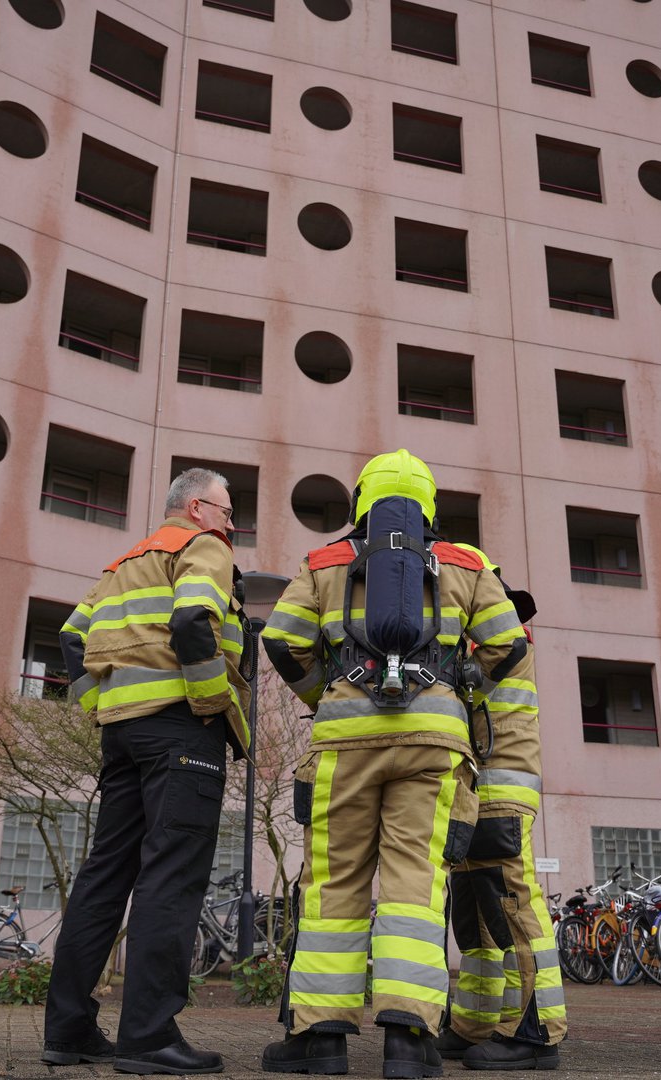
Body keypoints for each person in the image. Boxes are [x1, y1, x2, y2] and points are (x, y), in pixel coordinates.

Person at [259, 449, 527, 1078]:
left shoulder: (323, 561)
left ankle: (321, 1041)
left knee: (333, 882)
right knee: (416, 887)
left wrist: (330, 691)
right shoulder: (467, 563)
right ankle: (409, 1042)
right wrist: (457, 695)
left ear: (361, 503)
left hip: (344, 742)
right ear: (430, 504)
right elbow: (507, 644)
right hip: (434, 744)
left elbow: (283, 639)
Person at [42, 468, 250, 1075]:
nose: (232, 524)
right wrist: (210, 700)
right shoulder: (202, 547)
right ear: (195, 508)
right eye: (227, 511)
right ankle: (147, 1037)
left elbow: (71, 635)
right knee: (171, 875)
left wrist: (97, 704)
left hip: (124, 734)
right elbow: (192, 622)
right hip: (183, 728)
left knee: (105, 876)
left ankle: (69, 1031)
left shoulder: (123, 564)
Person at [438, 544, 565, 1071]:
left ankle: (536, 1032)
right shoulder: (485, 637)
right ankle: (475, 1023)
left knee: (513, 903)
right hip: (477, 785)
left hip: (499, 786)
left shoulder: (500, 638)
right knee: (473, 911)